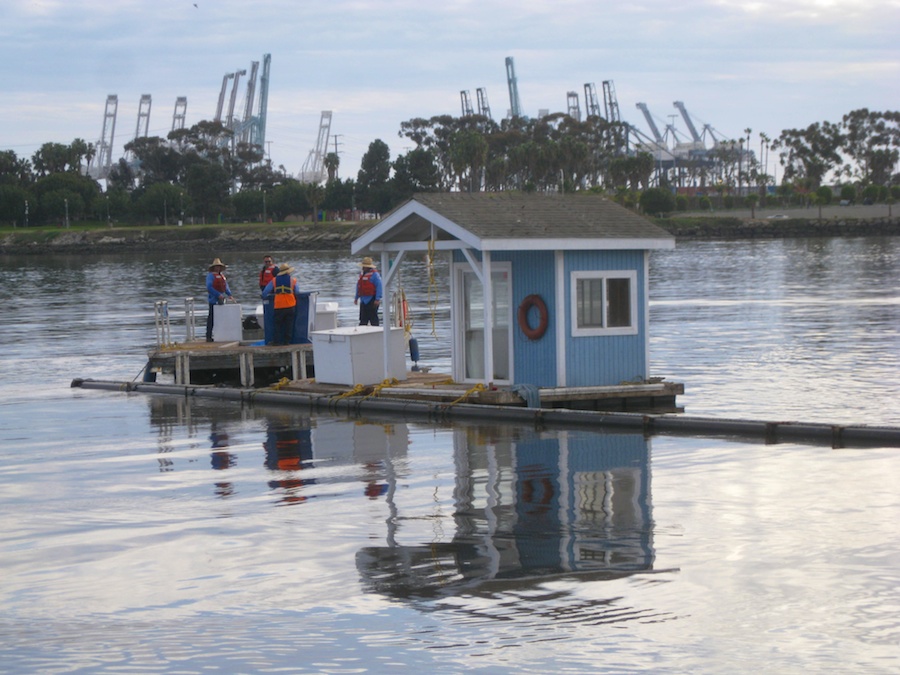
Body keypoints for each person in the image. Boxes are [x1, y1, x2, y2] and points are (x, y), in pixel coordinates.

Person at [261, 263, 302, 345]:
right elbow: (297, 292)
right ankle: (287, 341)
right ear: (288, 272)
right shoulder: (293, 280)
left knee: (277, 325)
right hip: (290, 305)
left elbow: (265, 291)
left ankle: (276, 341)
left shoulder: (274, 280)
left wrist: (264, 296)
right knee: (289, 325)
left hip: (279, 306)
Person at [205, 257, 233, 342]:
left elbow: (226, 286)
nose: (217, 268)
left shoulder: (222, 276)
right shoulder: (210, 276)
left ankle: (221, 334)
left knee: (221, 318)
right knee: (211, 318)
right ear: (213, 267)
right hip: (213, 300)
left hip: (221, 300)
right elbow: (209, 287)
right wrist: (218, 295)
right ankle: (209, 336)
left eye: (219, 267)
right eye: (216, 266)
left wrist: (229, 294)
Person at [354, 256, 383, 326]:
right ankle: (361, 333)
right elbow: (358, 286)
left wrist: (377, 299)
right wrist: (356, 298)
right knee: (363, 319)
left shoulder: (375, 275)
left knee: (373, 318)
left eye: (365, 266)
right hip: (363, 300)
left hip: (372, 299)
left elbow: (379, 286)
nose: (363, 268)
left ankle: (376, 333)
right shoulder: (362, 275)